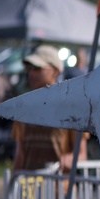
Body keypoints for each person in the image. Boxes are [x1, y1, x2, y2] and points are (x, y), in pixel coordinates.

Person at [11, 44, 87, 174]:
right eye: (29, 68)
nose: (31, 73)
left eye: (37, 68)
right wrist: (12, 185)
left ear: (56, 71)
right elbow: (20, 156)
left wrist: (69, 159)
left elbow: (82, 155)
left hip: (59, 190)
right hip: (29, 190)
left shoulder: (70, 107)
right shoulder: (23, 107)